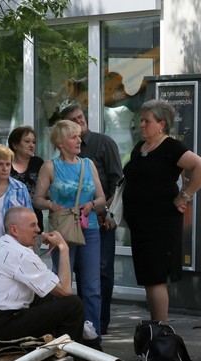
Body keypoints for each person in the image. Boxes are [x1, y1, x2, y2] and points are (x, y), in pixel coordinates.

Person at [122, 99, 201, 323]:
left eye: (147, 121)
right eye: (141, 120)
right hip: (140, 223)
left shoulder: (171, 146)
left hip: (159, 223)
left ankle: (161, 331)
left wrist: (185, 195)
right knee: (148, 278)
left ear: (162, 124)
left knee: (155, 277)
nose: (141, 124)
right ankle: (155, 327)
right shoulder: (139, 148)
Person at [33, 119, 106, 343]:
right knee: (62, 283)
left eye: (78, 136)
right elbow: (37, 199)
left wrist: (92, 205)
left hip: (89, 228)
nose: (79, 140)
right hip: (63, 230)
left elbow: (102, 198)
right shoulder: (49, 166)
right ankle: (62, 334)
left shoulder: (88, 164)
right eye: (74, 137)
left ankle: (93, 335)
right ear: (61, 142)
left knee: (92, 285)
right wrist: (52, 205)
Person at [0, 207, 84, 343]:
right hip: (1, 325)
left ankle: (54, 347)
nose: (38, 230)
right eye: (32, 225)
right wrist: (63, 247)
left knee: (48, 296)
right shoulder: (21, 253)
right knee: (73, 305)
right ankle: (70, 358)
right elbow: (65, 290)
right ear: (14, 230)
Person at [60, 103, 123, 335]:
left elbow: (118, 181)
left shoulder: (103, 143)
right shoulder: (62, 155)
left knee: (102, 271)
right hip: (73, 223)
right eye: (74, 119)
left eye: (81, 116)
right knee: (78, 271)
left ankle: (100, 322)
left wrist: (110, 213)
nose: (80, 121)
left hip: (101, 219)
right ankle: (82, 321)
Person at [8, 125, 45, 230]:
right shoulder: (5, 164)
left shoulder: (38, 163)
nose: (31, 145)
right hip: (9, 222)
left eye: (34, 142)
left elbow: (48, 188)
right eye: (27, 141)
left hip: (34, 222)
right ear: (15, 145)